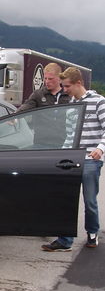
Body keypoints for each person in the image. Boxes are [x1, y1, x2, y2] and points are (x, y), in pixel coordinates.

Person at [42, 67, 105, 252]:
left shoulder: (99, 102)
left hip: (91, 160)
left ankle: (92, 233)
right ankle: (64, 239)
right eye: (63, 86)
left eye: (67, 86)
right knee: (66, 199)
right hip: (72, 159)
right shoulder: (71, 106)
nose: (65, 90)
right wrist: (62, 154)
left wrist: (100, 149)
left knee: (90, 200)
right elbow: (70, 136)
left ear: (79, 83)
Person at [17, 62, 70, 147]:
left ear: (60, 79)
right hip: (41, 143)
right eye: (45, 78)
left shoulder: (68, 96)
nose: (47, 82)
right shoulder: (38, 94)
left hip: (63, 143)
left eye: (50, 79)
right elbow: (27, 105)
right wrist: (15, 115)